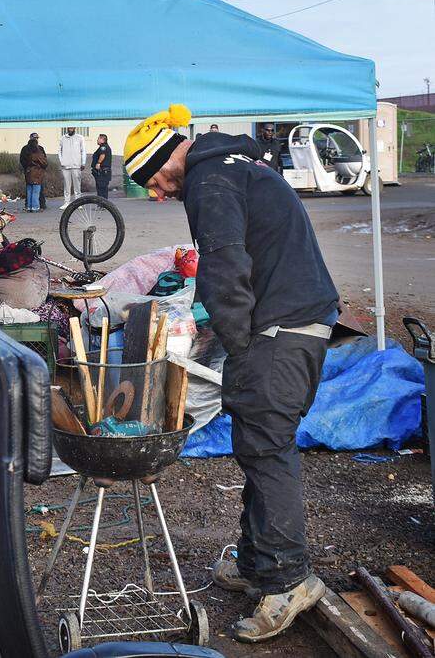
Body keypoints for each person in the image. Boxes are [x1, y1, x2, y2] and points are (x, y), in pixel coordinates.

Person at [124, 104, 338, 644]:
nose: (156, 193)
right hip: (294, 324)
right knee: (256, 443)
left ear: (164, 158)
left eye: (151, 180)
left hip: (279, 333)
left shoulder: (210, 181)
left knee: (267, 451)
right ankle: (258, 562)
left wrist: (234, 344)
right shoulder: (234, 166)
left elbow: (224, 265)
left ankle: (288, 580)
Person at [58, 128, 87, 209]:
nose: (70, 129)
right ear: (67, 128)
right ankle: (66, 202)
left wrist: (83, 162)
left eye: (72, 127)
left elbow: (83, 150)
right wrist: (62, 162)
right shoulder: (62, 138)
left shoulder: (80, 138)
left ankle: (78, 203)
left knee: (77, 185)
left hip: (76, 165)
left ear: (74, 128)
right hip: (65, 166)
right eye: (69, 128)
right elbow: (59, 151)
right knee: (66, 185)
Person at [19, 132, 48, 212]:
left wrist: (26, 168)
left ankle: (28, 206)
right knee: (37, 190)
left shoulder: (25, 148)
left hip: (28, 171)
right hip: (37, 172)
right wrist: (41, 168)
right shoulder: (39, 149)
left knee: (29, 189)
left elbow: (22, 160)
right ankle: (36, 206)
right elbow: (44, 162)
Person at [90, 134, 113, 200]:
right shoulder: (103, 147)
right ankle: (102, 204)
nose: (97, 140)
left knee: (102, 188)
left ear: (102, 140)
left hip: (102, 171)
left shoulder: (103, 147)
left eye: (98, 139)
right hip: (103, 171)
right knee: (102, 188)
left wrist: (98, 163)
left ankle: (102, 204)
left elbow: (102, 155)